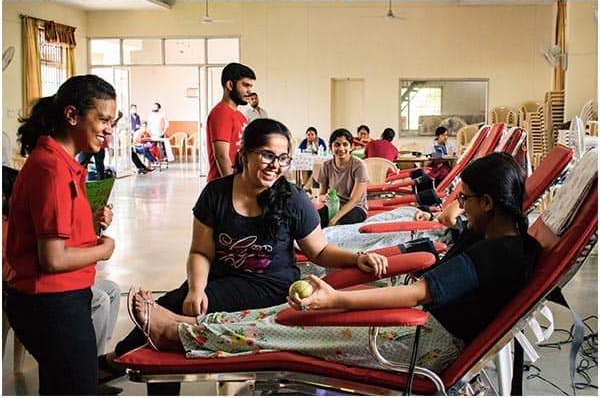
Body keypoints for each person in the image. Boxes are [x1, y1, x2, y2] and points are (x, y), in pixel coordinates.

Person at [126, 154, 540, 379]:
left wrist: (336, 298)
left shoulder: (496, 253)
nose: (460, 205)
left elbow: (421, 293)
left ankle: (176, 333)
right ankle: (188, 331)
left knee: (281, 329)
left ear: (489, 202)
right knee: (283, 316)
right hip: (420, 325)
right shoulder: (506, 242)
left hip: (418, 340)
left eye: (466, 198)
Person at [111, 119, 387, 360]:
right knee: (173, 304)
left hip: (270, 285)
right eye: (267, 155)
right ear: (244, 154)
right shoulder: (216, 193)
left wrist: (357, 258)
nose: (275, 166)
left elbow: (320, 251)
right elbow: (201, 252)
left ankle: (120, 358)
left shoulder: (293, 199)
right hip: (220, 276)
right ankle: (128, 359)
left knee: (168, 311)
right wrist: (196, 287)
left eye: (282, 158)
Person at [5, 76, 117, 395]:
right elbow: (52, 259)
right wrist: (104, 248)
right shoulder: (51, 170)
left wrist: (95, 226)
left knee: (61, 385)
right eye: (103, 119)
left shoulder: (61, 164)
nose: (109, 128)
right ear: (71, 116)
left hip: (60, 299)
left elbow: (60, 234)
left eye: (112, 120)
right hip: (51, 302)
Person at [206, 62, 255, 182]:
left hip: (239, 181)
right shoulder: (221, 113)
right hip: (221, 186)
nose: (249, 91)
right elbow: (221, 156)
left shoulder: (240, 116)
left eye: (251, 87)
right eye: (245, 85)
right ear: (230, 85)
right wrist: (229, 187)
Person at [317, 128, 369, 227]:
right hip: (333, 206)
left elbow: (354, 200)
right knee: (313, 221)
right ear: (330, 147)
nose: (341, 149)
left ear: (351, 147)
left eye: (345, 144)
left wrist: (334, 219)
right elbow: (321, 195)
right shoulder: (326, 165)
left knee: (341, 224)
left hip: (355, 208)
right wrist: (324, 198)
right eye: (337, 144)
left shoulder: (359, 166)